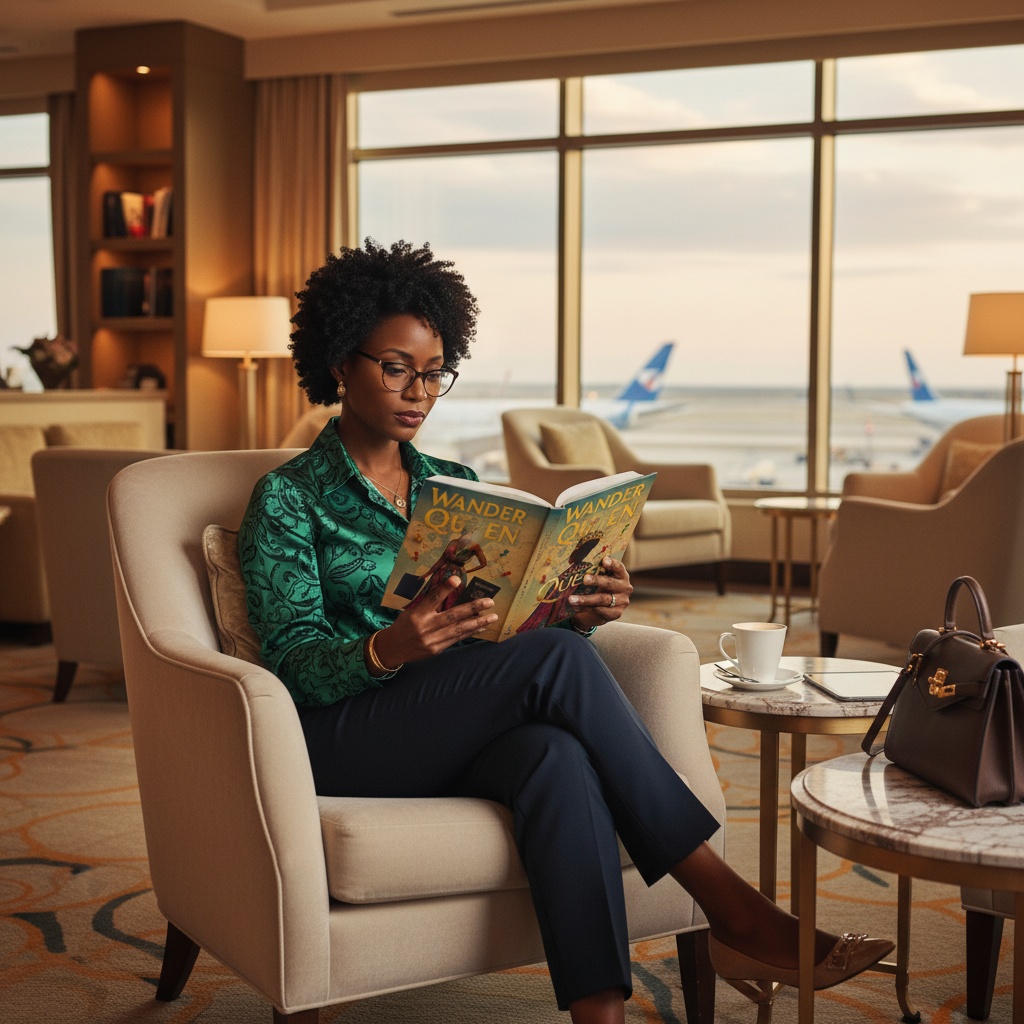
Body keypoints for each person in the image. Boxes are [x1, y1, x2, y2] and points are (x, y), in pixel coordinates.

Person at [238, 239, 893, 1023]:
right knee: (549, 666)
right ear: (341, 362)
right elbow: (289, 666)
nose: (421, 391)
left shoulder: (458, 488)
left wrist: (576, 610)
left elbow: (510, 635)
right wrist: (389, 647)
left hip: (454, 717)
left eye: (436, 371)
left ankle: (600, 1017)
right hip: (339, 736)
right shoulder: (287, 499)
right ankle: (733, 908)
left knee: (555, 754)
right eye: (396, 368)